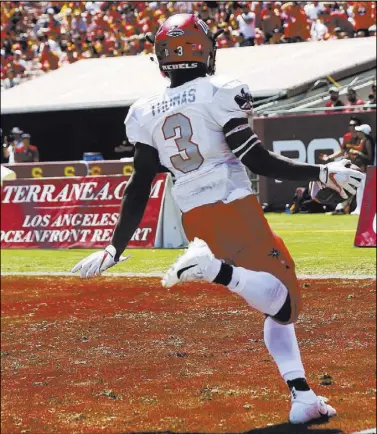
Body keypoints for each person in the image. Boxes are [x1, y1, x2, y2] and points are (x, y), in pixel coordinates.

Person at [71, 13, 364, 425]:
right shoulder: (219, 90)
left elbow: (139, 186)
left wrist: (113, 246)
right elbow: (256, 159)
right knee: (287, 304)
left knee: (274, 308)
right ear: (204, 50)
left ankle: (303, 396)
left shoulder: (144, 110)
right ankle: (217, 271)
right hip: (234, 207)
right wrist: (321, 171)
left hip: (196, 221)